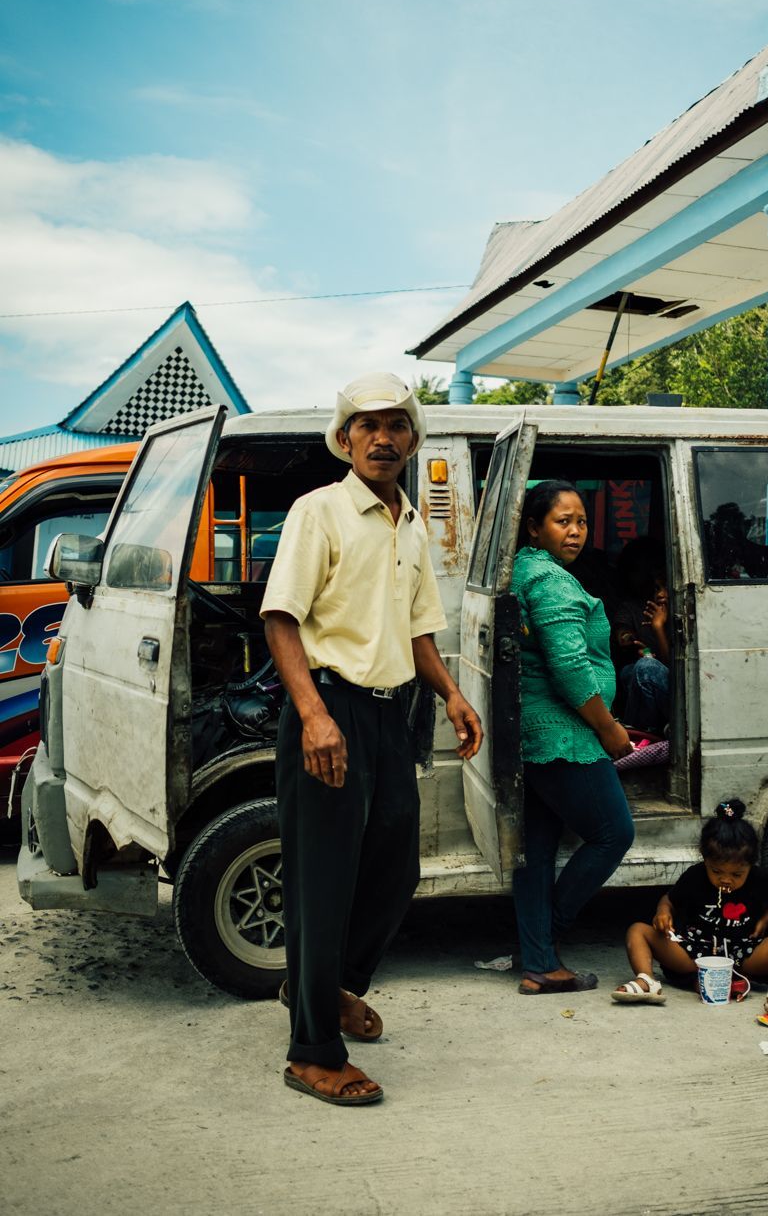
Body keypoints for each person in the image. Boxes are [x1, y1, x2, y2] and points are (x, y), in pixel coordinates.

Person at [262, 372, 483, 1106]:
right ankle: (312, 1051)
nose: (384, 438)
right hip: (328, 707)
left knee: (395, 870)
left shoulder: (411, 523)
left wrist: (451, 693)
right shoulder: (318, 511)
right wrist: (314, 716)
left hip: (394, 714)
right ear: (346, 439)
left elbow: (417, 628)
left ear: (413, 441)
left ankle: (321, 986)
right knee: (323, 879)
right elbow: (281, 618)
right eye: (369, 425)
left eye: (397, 426)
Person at [511, 479, 635, 995]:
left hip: (536, 732)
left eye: (582, 521)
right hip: (565, 733)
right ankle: (546, 938)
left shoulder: (527, 569)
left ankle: (538, 959)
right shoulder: (552, 582)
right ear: (535, 527)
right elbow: (569, 667)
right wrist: (610, 731)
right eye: (563, 521)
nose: (577, 531)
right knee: (613, 833)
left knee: (537, 851)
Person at [612, 797, 768, 1013]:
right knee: (637, 930)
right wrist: (663, 912)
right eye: (716, 871)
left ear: (750, 866)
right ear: (705, 860)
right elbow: (669, 900)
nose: (726, 880)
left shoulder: (760, 879)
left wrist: (765, 920)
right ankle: (646, 982)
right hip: (694, 952)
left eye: (736, 874)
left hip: (744, 953)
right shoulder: (695, 876)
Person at [610, 538, 670, 736]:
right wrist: (628, 638)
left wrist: (659, 628)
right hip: (656, 679)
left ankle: (640, 734)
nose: (660, 594)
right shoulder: (634, 607)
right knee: (631, 670)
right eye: (656, 588)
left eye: (664, 587)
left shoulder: (682, 613)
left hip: (677, 688)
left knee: (646, 668)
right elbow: (622, 631)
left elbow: (673, 666)